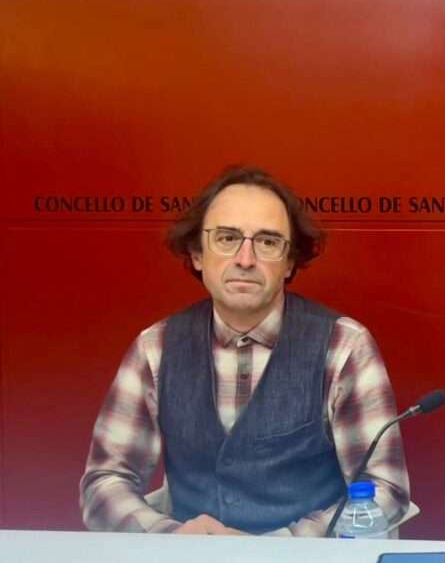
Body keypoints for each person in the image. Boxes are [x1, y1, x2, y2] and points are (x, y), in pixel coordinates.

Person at [80, 166, 409, 536]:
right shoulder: (155, 348)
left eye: (267, 242)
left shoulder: (344, 346)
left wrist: (280, 545)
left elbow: (386, 491)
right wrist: (169, 536)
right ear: (197, 253)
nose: (245, 259)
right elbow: (106, 481)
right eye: (227, 238)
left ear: (289, 262)